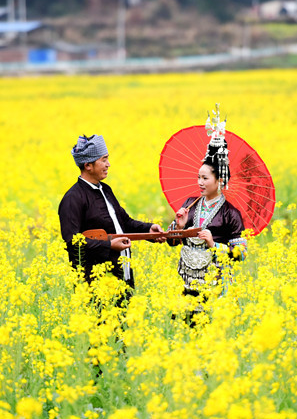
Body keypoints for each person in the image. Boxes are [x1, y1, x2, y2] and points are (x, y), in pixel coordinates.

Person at [58, 134, 165, 304]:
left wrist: (149, 230)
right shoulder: (73, 199)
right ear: (88, 165)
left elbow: (124, 223)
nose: (108, 164)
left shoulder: (105, 190)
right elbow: (72, 241)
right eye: (103, 159)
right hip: (95, 282)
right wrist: (108, 245)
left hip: (120, 275)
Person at [167, 131, 247, 313]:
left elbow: (242, 254)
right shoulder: (189, 204)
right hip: (188, 279)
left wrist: (213, 244)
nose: (200, 183)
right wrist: (179, 226)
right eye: (198, 177)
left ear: (219, 180)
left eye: (205, 178)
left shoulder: (231, 213)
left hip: (216, 281)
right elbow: (171, 242)